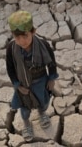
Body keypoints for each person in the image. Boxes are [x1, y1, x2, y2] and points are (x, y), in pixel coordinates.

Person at [6, 10, 58, 142]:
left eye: (25, 36)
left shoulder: (43, 45)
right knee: (25, 108)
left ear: (33, 32)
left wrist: (51, 78)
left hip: (41, 81)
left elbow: (51, 63)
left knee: (43, 102)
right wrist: (17, 85)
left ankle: (42, 114)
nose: (22, 41)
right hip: (23, 85)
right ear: (12, 35)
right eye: (17, 38)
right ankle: (27, 124)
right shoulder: (11, 49)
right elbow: (10, 69)